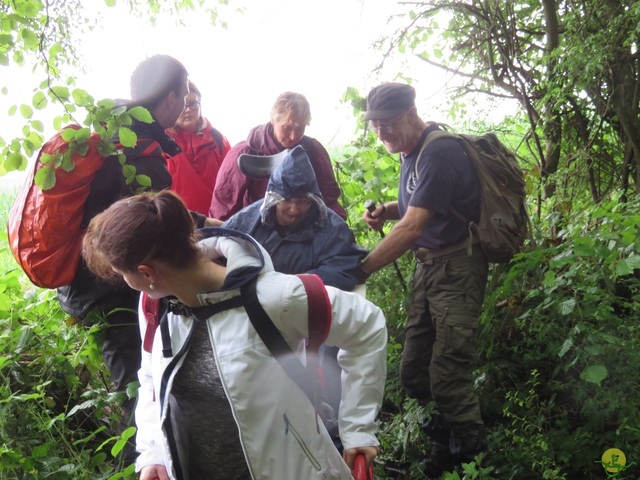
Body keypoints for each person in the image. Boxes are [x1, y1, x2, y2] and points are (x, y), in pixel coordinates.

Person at [81, 190, 387, 480]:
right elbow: (150, 378)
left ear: (147, 272)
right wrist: (153, 452)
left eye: (123, 274)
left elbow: (366, 325)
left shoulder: (272, 299)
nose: (125, 281)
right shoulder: (156, 306)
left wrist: (357, 426)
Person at [55, 54, 198, 465]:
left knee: (136, 378)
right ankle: (145, 464)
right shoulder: (142, 157)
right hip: (108, 289)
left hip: (85, 285)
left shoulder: (111, 133)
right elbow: (153, 234)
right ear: (170, 98)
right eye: (185, 94)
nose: (187, 103)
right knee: (140, 386)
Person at [358, 82, 489, 475]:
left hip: (457, 268)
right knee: (413, 372)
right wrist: (387, 209)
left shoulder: (440, 152)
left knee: (448, 375)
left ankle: (472, 460)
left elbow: (414, 226)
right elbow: (421, 203)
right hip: (429, 269)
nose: (381, 133)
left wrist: (362, 268)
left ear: (411, 113)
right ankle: (443, 446)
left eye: (387, 123)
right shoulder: (410, 152)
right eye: (375, 125)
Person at [222, 145, 366, 291]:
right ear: (275, 199)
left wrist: (289, 285)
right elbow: (219, 252)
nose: (294, 209)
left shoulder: (333, 228)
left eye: (303, 202)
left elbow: (343, 270)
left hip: (305, 303)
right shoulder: (247, 220)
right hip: (251, 299)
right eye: (287, 200)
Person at [209, 91, 347, 221]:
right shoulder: (244, 153)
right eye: (287, 127)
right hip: (256, 230)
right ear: (273, 121)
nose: (293, 136)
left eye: (300, 129)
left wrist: (338, 228)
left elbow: (329, 198)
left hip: (303, 232)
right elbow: (223, 207)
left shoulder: (313, 151)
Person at [166, 81, 231, 215]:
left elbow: (232, 182)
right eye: (183, 105)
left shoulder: (217, 139)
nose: (188, 110)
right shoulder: (162, 142)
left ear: (200, 104)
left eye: (193, 103)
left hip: (217, 221)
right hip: (178, 222)